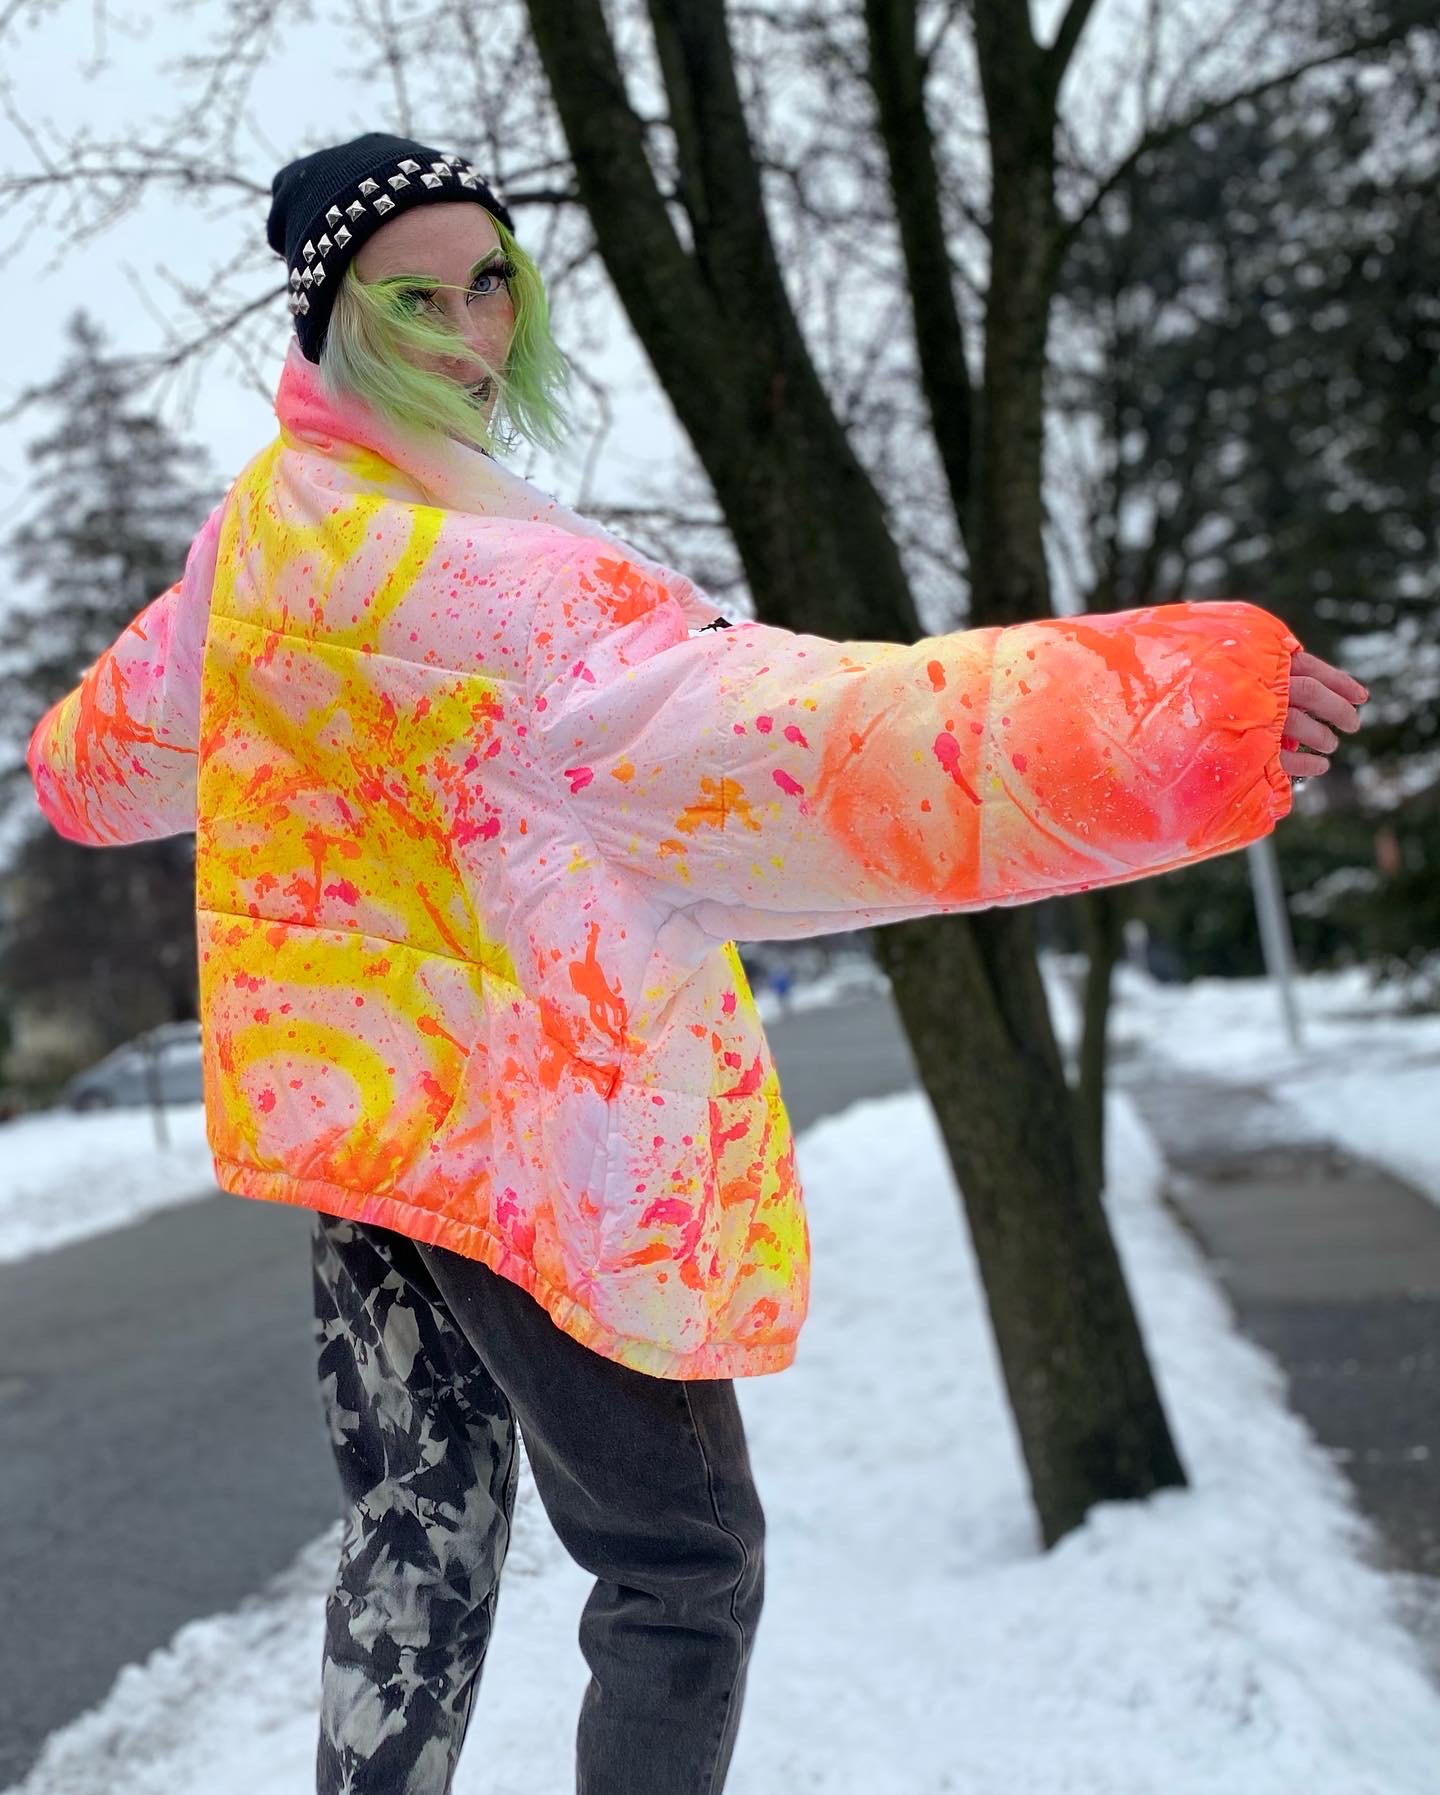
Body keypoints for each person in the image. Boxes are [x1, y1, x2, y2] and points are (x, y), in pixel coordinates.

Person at [25, 131, 1367, 1795]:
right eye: (414, 301)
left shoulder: (252, 547)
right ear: (332, 320)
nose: (471, 331)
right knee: (683, 1562)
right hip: (521, 1144)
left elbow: (91, 769)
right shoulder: (503, 590)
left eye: (491, 281)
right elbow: (822, 744)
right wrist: (1173, 720)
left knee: (416, 1548)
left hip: (367, 1143)